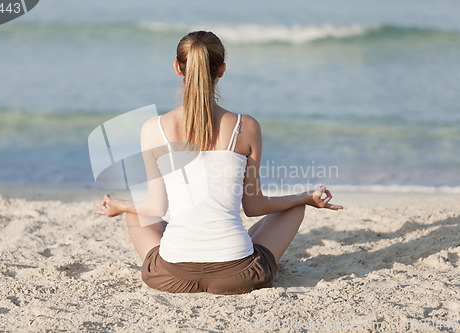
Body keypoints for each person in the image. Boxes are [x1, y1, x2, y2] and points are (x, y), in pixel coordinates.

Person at [93, 31, 343, 294]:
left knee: (135, 211)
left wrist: (120, 206)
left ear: (178, 68)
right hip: (239, 276)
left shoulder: (153, 129)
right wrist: (305, 197)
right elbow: (254, 205)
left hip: (172, 277)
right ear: (221, 70)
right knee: (296, 206)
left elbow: (156, 206)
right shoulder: (246, 126)